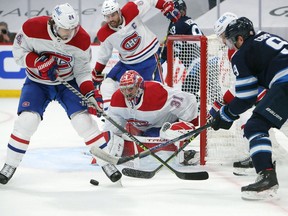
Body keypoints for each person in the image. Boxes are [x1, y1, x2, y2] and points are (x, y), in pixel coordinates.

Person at [0, 3, 115, 185]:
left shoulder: (82, 39)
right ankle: (10, 164)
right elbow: (18, 53)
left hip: (67, 83)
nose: (69, 34)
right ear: (54, 23)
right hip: (37, 83)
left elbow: (82, 72)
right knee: (27, 121)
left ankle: (107, 163)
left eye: (73, 28)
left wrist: (90, 94)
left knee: (83, 122)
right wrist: (37, 62)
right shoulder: (32, 27)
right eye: (64, 29)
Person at [211, 16, 288, 200]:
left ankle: (267, 177)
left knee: (255, 126)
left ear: (240, 38)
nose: (228, 45)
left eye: (229, 40)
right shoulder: (264, 37)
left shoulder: (243, 52)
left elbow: (246, 97)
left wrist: (225, 115)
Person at [93, 70, 199, 167]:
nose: (127, 93)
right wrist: (105, 149)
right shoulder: (117, 99)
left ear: (139, 87)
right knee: (115, 140)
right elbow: (111, 128)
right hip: (138, 128)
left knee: (164, 144)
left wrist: (191, 125)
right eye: (124, 90)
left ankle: (183, 154)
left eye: (130, 89)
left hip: (162, 127)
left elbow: (188, 101)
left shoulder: (157, 93)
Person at [92, 0, 181, 111]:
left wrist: (164, 5)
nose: (110, 19)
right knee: (107, 84)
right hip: (127, 65)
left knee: (156, 91)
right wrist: (97, 71)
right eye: (107, 17)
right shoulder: (104, 33)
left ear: (119, 12)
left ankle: (166, 114)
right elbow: (103, 55)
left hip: (149, 59)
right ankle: (111, 114)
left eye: (113, 15)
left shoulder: (131, 10)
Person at [160, 0, 203, 68]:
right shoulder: (189, 21)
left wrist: (160, 61)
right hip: (202, 57)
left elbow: (168, 46)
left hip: (192, 63)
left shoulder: (177, 24)